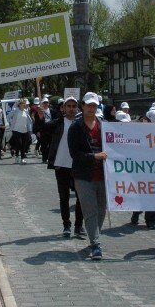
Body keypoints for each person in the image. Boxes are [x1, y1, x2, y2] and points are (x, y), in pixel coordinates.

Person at [69, 92, 108, 260]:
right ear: (83, 106)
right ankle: (96, 244)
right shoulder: (75, 127)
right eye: (89, 105)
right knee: (90, 210)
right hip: (83, 176)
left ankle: (94, 237)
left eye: (94, 105)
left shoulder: (104, 126)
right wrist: (94, 156)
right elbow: (75, 154)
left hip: (104, 176)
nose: (91, 108)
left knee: (101, 210)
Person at [47, 96, 84, 238]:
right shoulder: (57, 123)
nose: (71, 109)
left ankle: (78, 226)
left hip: (77, 165)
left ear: (77, 108)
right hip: (61, 165)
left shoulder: (81, 124)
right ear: (63, 108)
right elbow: (40, 130)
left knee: (81, 197)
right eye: (68, 106)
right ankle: (66, 225)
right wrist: (39, 117)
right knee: (64, 197)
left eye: (74, 106)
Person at [8, 97, 33, 164]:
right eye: (21, 103)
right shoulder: (15, 110)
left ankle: (22, 158)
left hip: (24, 130)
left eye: (24, 104)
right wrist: (11, 123)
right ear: (19, 104)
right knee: (19, 143)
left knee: (24, 145)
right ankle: (17, 156)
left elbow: (28, 121)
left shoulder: (26, 111)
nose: (23, 105)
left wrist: (29, 129)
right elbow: (8, 117)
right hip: (16, 130)